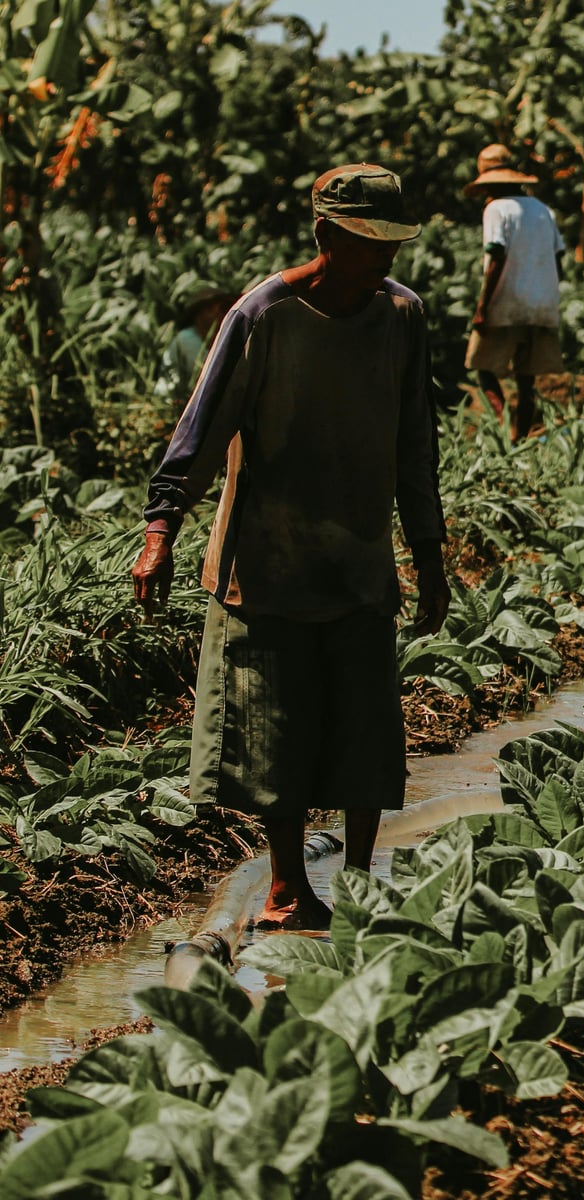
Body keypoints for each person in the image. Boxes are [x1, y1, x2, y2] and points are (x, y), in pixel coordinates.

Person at [130, 163, 450, 931]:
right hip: (267, 564)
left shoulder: (401, 316)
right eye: (370, 243)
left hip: (360, 558)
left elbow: (416, 444)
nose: (386, 259)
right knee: (276, 735)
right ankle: (285, 887)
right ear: (326, 236)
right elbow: (201, 431)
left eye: (392, 244)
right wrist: (160, 530)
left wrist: (430, 554)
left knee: (367, 733)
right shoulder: (263, 315)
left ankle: (361, 884)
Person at [465, 144, 567, 441]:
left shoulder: (495, 209)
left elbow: (496, 256)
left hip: (505, 302)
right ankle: (521, 435)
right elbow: (558, 258)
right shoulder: (542, 210)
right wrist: (545, 289)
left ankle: (502, 426)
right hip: (542, 304)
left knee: (481, 366)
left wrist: (483, 307)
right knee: (526, 379)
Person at [159, 283, 233, 405]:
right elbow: (208, 377)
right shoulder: (187, 338)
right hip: (172, 403)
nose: (220, 313)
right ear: (199, 314)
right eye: (213, 308)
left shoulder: (215, 337)